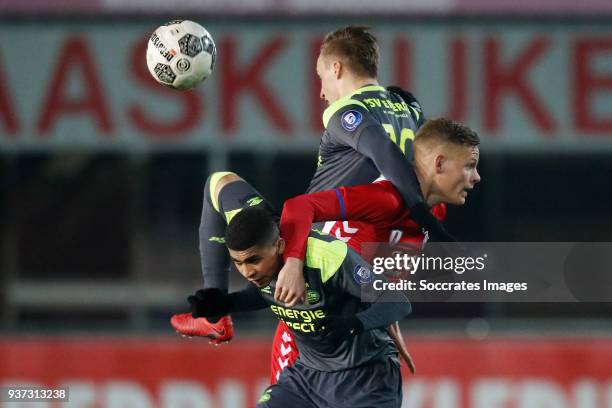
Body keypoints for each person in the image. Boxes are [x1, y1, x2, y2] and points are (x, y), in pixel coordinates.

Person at [171, 25, 457, 379]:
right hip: (349, 267)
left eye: (320, 76)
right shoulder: (409, 110)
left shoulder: (345, 113)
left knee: (294, 384)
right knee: (222, 183)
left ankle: (216, 317)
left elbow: (385, 157)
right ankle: (217, 311)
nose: (321, 92)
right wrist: (382, 290)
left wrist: (425, 221)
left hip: (315, 261)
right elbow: (405, 202)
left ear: (336, 68)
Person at [187, 207, 411, 408]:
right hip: (306, 377)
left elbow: (396, 302)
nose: (247, 272)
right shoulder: (264, 269)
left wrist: (351, 325)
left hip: (365, 377)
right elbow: (267, 294)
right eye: (238, 263)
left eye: (253, 260)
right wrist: (227, 302)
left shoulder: (326, 256)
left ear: (280, 245)